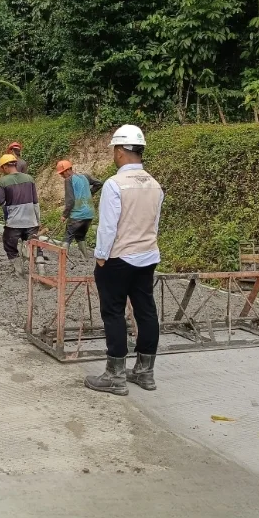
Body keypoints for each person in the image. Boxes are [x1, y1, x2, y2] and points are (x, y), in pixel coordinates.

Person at [85, 124, 164, 396]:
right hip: (147, 256)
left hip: (118, 259)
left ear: (120, 151)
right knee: (146, 311)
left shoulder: (115, 184)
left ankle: (115, 375)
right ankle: (145, 372)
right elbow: (154, 224)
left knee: (113, 313)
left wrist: (101, 256)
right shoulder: (154, 184)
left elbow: (108, 227)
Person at [0, 154, 41, 277]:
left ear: (5, 167)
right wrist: (38, 221)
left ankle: (18, 270)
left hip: (14, 222)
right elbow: (35, 202)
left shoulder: (3, 181)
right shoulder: (29, 178)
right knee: (35, 244)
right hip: (31, 220)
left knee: (9, 244)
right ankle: (41, 270)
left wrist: (8, 207)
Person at [56, 160, 103, 259]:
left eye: (62, 173)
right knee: (80, 236)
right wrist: (89, 193)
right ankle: (85, 258)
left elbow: (70, 200)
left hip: (77, 214)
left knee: (68, 236)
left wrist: (64, 215)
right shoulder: (85, 176)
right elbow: (99, 183)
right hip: (89, 214)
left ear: (67, 170)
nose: (62, 176)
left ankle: (62, 260)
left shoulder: (69, 180)